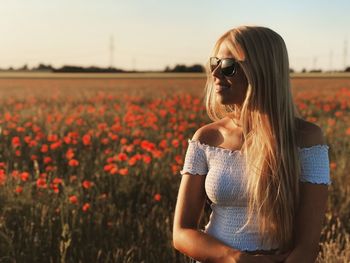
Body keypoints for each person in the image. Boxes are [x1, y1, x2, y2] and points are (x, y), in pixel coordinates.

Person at [172, 26, 330, 263]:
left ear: (261, 72)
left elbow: (306, 247)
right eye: (214, 63)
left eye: (228, 66)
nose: (215, 73)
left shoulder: (306, 139)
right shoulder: (206, 138)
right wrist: (236, 259)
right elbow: (181, 233)